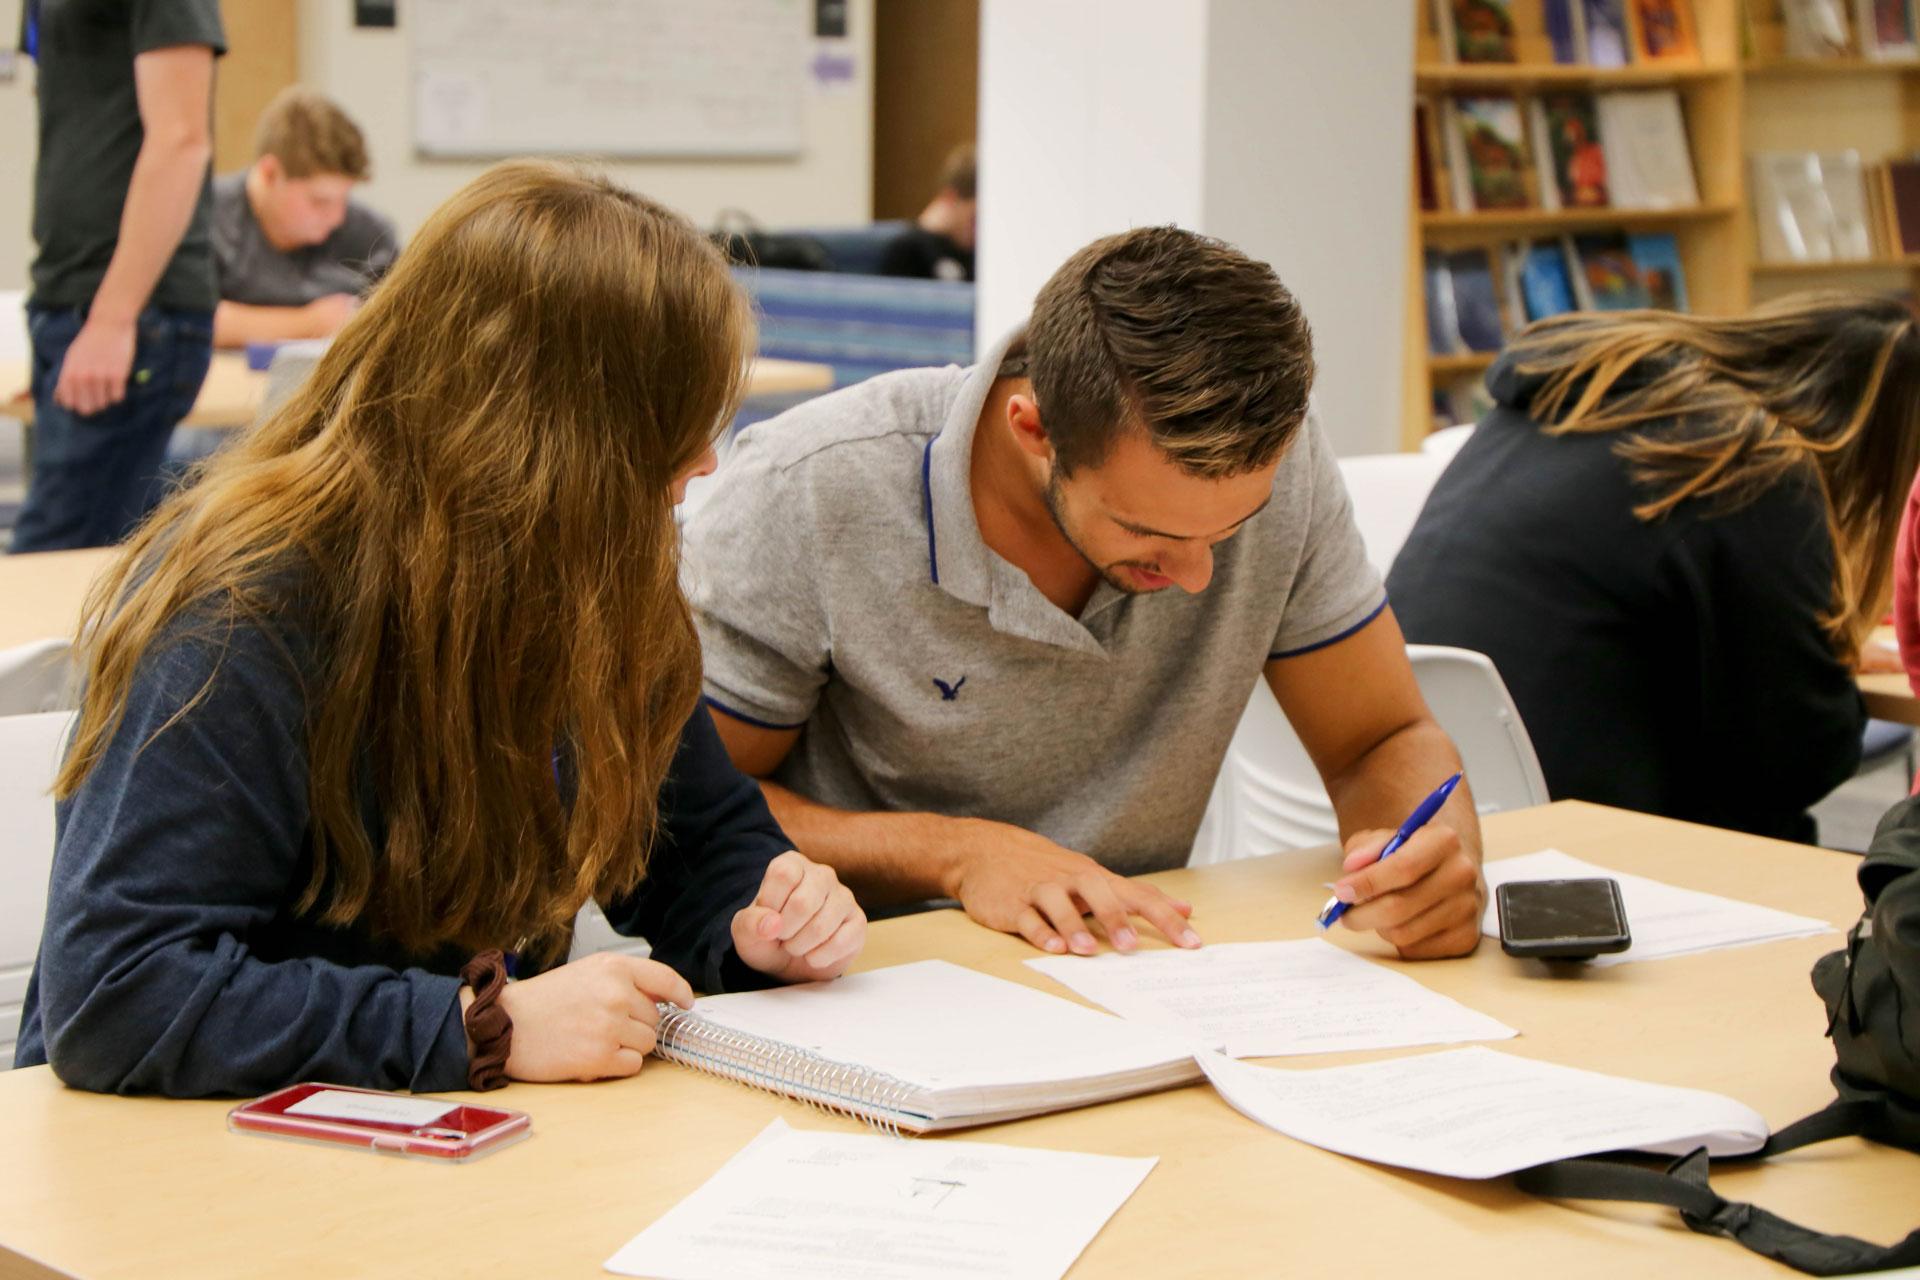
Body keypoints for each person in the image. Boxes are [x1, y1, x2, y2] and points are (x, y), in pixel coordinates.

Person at [17, 161, 866, 1098]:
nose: (705, 460)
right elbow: (117, 995)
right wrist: (476, 1028)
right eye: (666, 424)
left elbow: (698, 844)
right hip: (183, 1158)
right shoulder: (250, 604)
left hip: (450, 1135)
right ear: (554, 434)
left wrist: (765, 920)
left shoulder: (590, 573)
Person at [686, 226, 1486, 962]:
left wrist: (1427, 862)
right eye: (1148, 533)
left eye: (1233, 527)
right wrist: (958, 853)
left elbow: (1380, 738)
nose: (1200, 576)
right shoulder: (813, 487)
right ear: (1033, 430)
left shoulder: (1281, 464)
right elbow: (682, 813)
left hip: (1136, 966)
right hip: (868, 976)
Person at [1388, 294, 1920, 843]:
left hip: (1422, 802)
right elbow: (1800, 756)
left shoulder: (1569, 399)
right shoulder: (1743, 458)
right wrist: (1816, 652)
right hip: (1597, 844)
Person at [12, 0, 225, 553]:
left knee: (50, 564)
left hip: (131, 317)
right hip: (70, 302)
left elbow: (181, 141)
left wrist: (113, 318)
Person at [210, 87, 400, 349]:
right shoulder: (205, 217)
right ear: (269, 174)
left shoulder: (370, 235)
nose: (336, 217)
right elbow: (188, 318)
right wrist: (308, 323)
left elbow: (401, 318)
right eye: (319, 201)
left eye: (343, 198)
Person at [879, 144, 975, 282]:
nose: (978, 231)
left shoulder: (977, 253)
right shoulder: (908, 251)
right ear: (951, 198)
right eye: (974, 219)